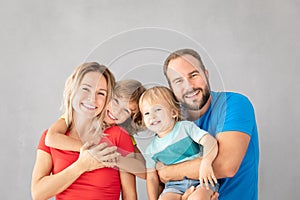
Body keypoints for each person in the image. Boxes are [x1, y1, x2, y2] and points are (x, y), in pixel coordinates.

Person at [157, 48, 259, 200]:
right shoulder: (170, 121)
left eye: (194, 75)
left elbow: (226, 165)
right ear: (171, 88)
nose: (189, 86)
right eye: (178, 81)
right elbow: (160, 181)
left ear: (206, 74)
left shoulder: (234, 104)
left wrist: (167, 172)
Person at [31, 62, 137, 200]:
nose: (92, 99)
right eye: (86, 89)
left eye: (101, 93)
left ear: (107, 100)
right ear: (73, 89)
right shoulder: (51, 137)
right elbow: (38, 193)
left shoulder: (118, 136)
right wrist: (82, 166)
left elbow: (130, 196)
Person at [45, 79, 147, 179]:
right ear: (107, 95)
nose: (117, 111)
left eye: (126, 110)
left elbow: (144, 170)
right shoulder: (82, 115)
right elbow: (51, 138)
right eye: (115, 101)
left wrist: (110, 157)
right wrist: (94, 151)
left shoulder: (122, 133)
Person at [139, 86, 219, 200]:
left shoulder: (185, 127)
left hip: (201, 179)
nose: (152, 116)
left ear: (173, 112)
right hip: (173, 186)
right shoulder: (151, 150)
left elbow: (209, 141)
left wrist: (206, 163)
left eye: (157, 109)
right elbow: (151, 178)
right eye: (146, 113)